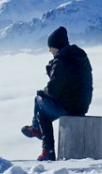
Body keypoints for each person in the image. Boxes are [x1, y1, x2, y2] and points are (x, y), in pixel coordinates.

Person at [20, 26, 93, 160]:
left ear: (56, 46)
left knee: (39, 102)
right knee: (43, 109)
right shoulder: (79, 57)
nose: (49, 50)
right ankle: (39, 133)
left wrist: (44, 91)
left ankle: (42, 139)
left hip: (68, 106)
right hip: (82, 105)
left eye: (50, 47)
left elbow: (53, 90)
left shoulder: (61, 61)